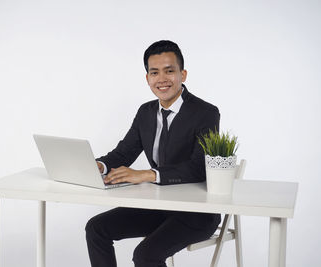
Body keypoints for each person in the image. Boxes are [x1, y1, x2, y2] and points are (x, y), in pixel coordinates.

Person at [85, 40, 221, 267]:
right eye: (154, 72)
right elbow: (123, 153)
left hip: (196, 213)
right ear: (147, 78)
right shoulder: (145, 112)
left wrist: (147, 174)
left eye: (170, 71)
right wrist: (100, 165)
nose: (162, 79)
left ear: (183, 74)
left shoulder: (206, 113)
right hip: (158, 207)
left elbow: (198, 167)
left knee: (145, 255)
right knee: (96, 228)